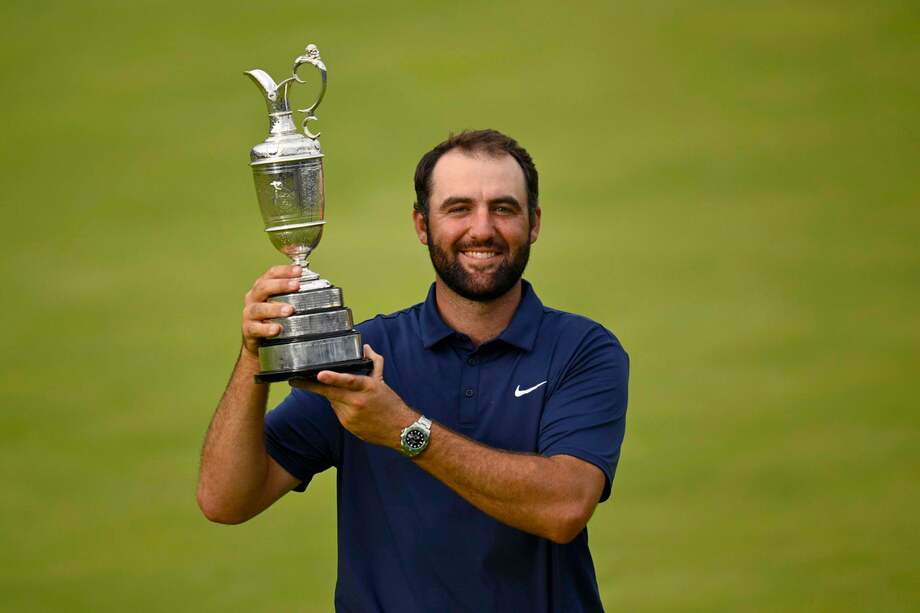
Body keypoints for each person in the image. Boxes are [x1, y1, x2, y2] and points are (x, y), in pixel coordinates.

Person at [197, 129, 629, 612]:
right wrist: (253, 356)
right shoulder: (367, 351)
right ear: (422, 226)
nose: (482, 230)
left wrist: (404, 429)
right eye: (459, 208)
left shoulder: (582, 350)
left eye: (503, 208)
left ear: (534, 223)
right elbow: (225, 500)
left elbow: (564, 507)